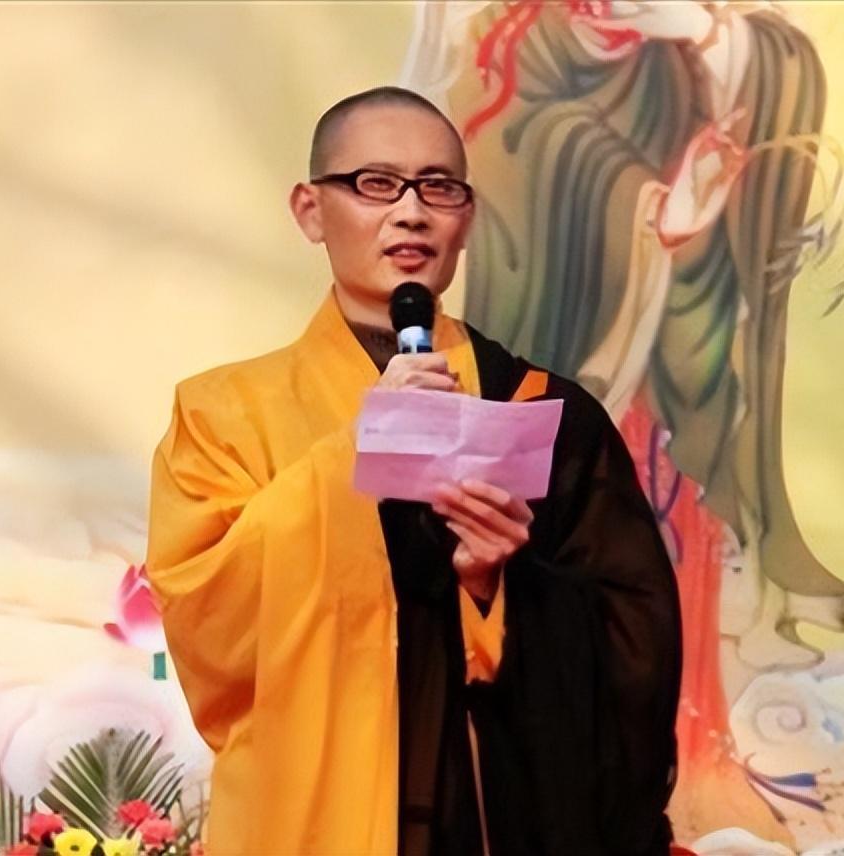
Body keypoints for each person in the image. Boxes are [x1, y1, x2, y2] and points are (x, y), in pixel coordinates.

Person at [145, 85, 681, 856]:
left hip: (499, 821)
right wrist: (358, 451)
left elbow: (635, 646)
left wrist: (495, 588)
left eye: (439, 187)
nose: (411, 212)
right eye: (376, 184)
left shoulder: (543, 411)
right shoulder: (223, 413)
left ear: (466, 219)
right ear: (309, 210)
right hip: (311, 819)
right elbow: (212, 632)